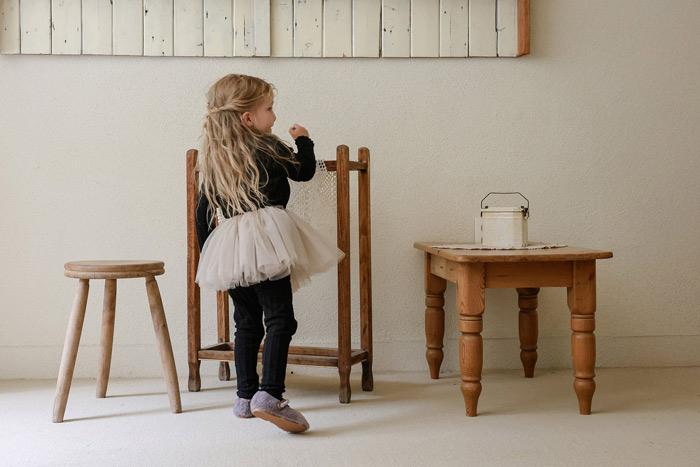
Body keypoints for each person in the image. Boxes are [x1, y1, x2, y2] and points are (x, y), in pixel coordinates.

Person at [195, 74, 343, 433]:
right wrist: (303, 140)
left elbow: (202, 214)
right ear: (248, 118)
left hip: (229, 247)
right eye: (270, 109)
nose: (274, 117)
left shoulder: (216, 160)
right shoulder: (269, 146)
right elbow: (304, 172)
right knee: (280, 319)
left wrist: (212, 258)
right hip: (268, 242)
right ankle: (271, 395)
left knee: (245, 322)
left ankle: (244, 398)